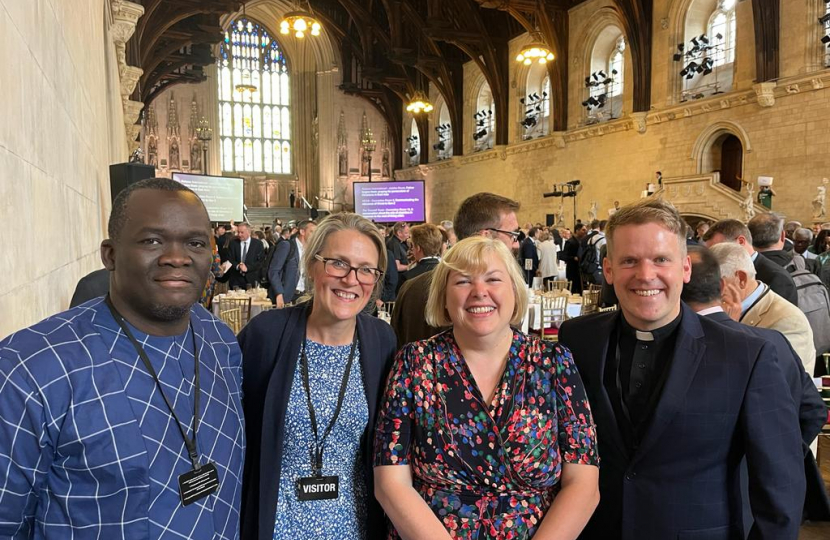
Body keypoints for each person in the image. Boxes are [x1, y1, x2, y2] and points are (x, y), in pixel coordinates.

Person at [0, 178, 245, 538]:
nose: (177, 257)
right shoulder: (32, 367)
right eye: (152, 241)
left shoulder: (221, 342)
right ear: (109, 255)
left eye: (194, 243)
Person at [558, 198, 805, 540]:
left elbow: (780, 486)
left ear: (685, 269)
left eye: (661, 259)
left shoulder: (748, 353)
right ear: (609, 269)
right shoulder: (577, 338)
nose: (646, 275)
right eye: (630, 260)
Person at [375, 236, 600, 539]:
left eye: (493, 279)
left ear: (515, 292)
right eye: (463, 282)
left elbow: (583, 482)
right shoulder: (414, 363)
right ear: (443, 296)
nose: (480, 292)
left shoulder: (554, 363)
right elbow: (390, 482)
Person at [238, 213, 397, 540]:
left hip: (354, 527)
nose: (352, 279)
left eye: (366, 269)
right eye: (338, 263)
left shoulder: (382, 341)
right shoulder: (265, 336)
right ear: (312, 266)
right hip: (277, 525)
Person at [681, 245, 830, 523]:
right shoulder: (760, 336)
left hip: (753, 494)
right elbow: (812, 409)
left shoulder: (780, 326)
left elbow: (807, 410)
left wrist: (773, 458)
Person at [391, 192, 521, 348]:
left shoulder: (410, 287)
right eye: (513, 235)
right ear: (486, 236)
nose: (516, 244)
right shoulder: (501, 293)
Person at [710, 242, 817, 375]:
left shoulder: (789, 321)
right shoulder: (721, 306)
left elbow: (777, 382)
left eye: (715, 284)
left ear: (741, 279)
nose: (708, 292)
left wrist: (730, 329)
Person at [703, 219, 798, 306]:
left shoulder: (777, 277)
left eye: (720, 248)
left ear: (741, 241)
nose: (714, 255)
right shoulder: (723, 269)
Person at [267, 220, 317, 307]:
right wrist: (279, 294)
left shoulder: (311, 251)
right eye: (312, 232)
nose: (315, 236)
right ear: (302, 232)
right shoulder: (287, 245)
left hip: (305, 296)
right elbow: (273, 271)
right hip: (287, 297)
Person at [397, 223, 442, 292]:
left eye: (413, 246)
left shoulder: (408, 277)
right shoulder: (447, 272)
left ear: (418, 248)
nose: (412, 249)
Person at [227, 222, 265, 289]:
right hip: (236, 280)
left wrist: (247, 268)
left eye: (242, 232)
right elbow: (230, 259)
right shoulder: (233, 243)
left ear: (249, 232)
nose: (239, 234)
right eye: (238, 232)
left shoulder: (258, 244)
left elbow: (260, 262)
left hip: (252, 280)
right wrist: (238, 266)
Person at [562, 223, 586, 293]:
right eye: (583, 230)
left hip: (580, 271)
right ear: (577, 230)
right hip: (572, 270)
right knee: (572, 290)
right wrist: (573, 258)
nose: (585, 232)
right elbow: (564, 256)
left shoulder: (583, 241)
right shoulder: (570, 242)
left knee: (580, 291)